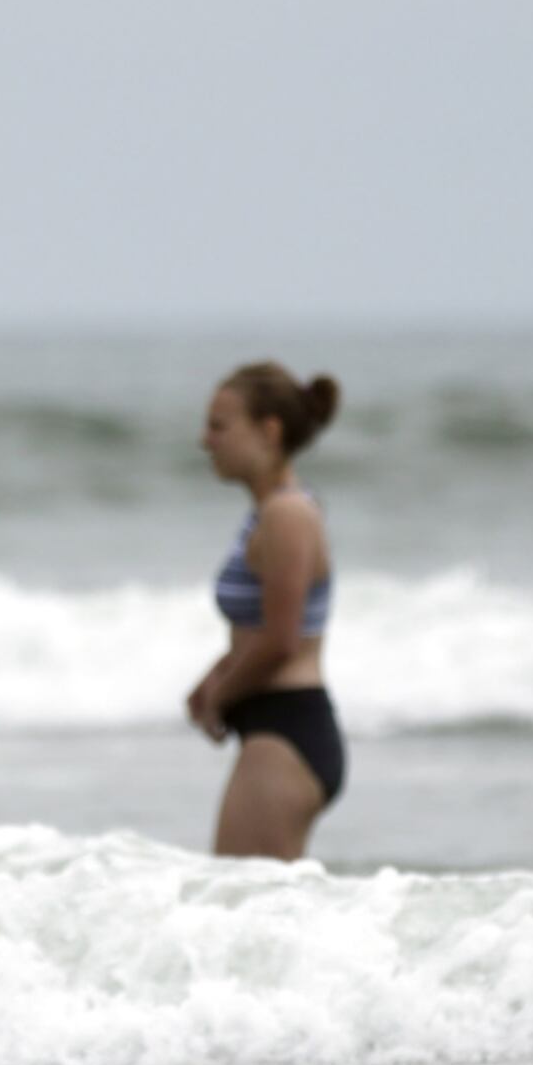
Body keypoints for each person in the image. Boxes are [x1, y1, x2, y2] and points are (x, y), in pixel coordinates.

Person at [184, 359, 342, 858]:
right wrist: (211, 679)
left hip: (287, 732)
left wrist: (219, 698)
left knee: (243, 907)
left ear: (268, 431)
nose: (205, 440)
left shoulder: (287, 515)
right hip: (272, 728)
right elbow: (257, 632)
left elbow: (281, 642)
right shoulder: (269, 512)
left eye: (219, 426)